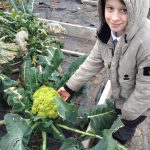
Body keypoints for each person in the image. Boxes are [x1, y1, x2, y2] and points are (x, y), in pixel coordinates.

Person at [58, 0, 150, 145]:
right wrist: (69, 87)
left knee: (123, 131)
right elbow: (93, 61)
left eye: (124, 10)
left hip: (138, 107)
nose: (114, 18)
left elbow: (146, 91)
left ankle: (119, 142)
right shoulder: (108, 32)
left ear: (136, 11)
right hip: (122, 94)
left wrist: (126, 115)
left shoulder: (146, 45)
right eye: (110, 8)